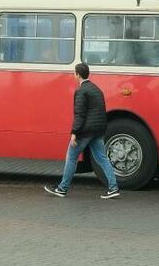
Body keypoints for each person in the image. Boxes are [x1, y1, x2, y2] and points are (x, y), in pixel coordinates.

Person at [44, 63, 120, 199]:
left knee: (71, 157)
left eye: (74, 73)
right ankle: (113, 188)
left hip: (85, 131)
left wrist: (74, 133)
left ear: (77, 74)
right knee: (102, 158)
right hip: (98, 130)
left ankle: (62, 188)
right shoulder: (97, 89)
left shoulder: (81, 91)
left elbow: (80, 114)